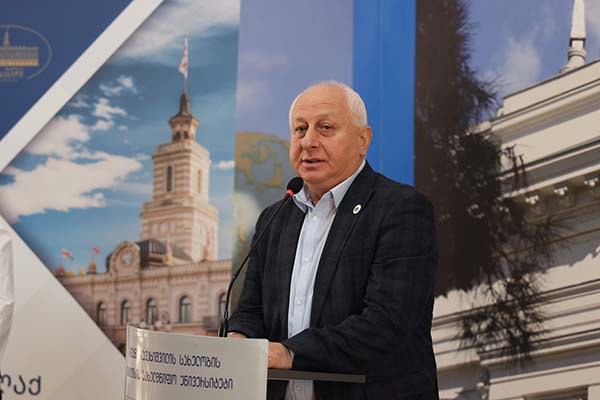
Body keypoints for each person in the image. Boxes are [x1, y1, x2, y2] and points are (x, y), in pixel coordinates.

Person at [228, 82, 438, 399]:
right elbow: (251, 310)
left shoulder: (401, 209)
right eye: (300, 129)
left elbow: (386, 323)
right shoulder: (274, 217)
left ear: (363, 140)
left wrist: (290, 353)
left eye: (325, 128)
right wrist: (238, 341)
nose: (309, 141)